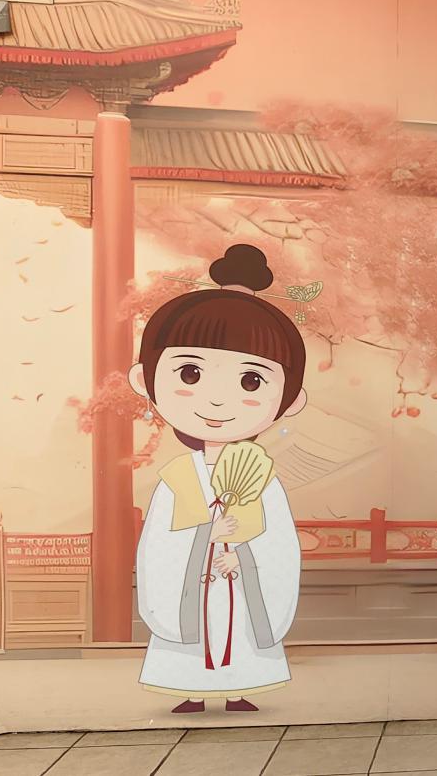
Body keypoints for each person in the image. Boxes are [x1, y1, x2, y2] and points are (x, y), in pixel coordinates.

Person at [131, 244, 306, 714]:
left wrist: (245, 556)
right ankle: (190, 690)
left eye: (251, 382)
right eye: (190, 373)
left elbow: (280, 542)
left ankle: (236, 689)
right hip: (194, 583)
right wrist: (205, 539)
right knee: (194, 634)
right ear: (145, 380)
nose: (216, 401)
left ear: (289, 400)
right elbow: (157, 545)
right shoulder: (176, 477)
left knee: (239, 628)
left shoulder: (263, 479)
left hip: (237, 582)